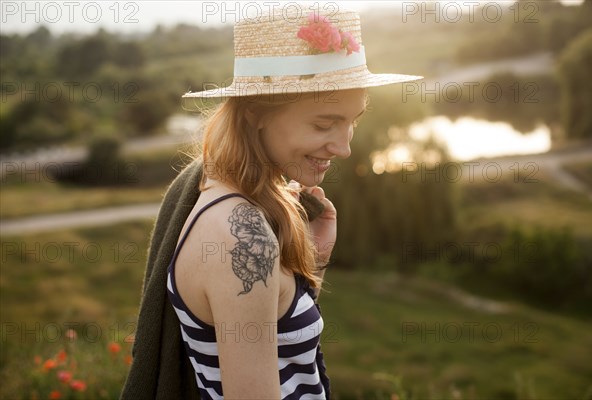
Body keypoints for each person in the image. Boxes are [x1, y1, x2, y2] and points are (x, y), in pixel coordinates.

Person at [121, 4, 422, 400]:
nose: (345, 147)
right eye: (323, 123)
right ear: (255, 114)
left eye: (353, 121)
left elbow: (280, 352)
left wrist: (312, 261)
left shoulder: (228, 201)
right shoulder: (241, 236)